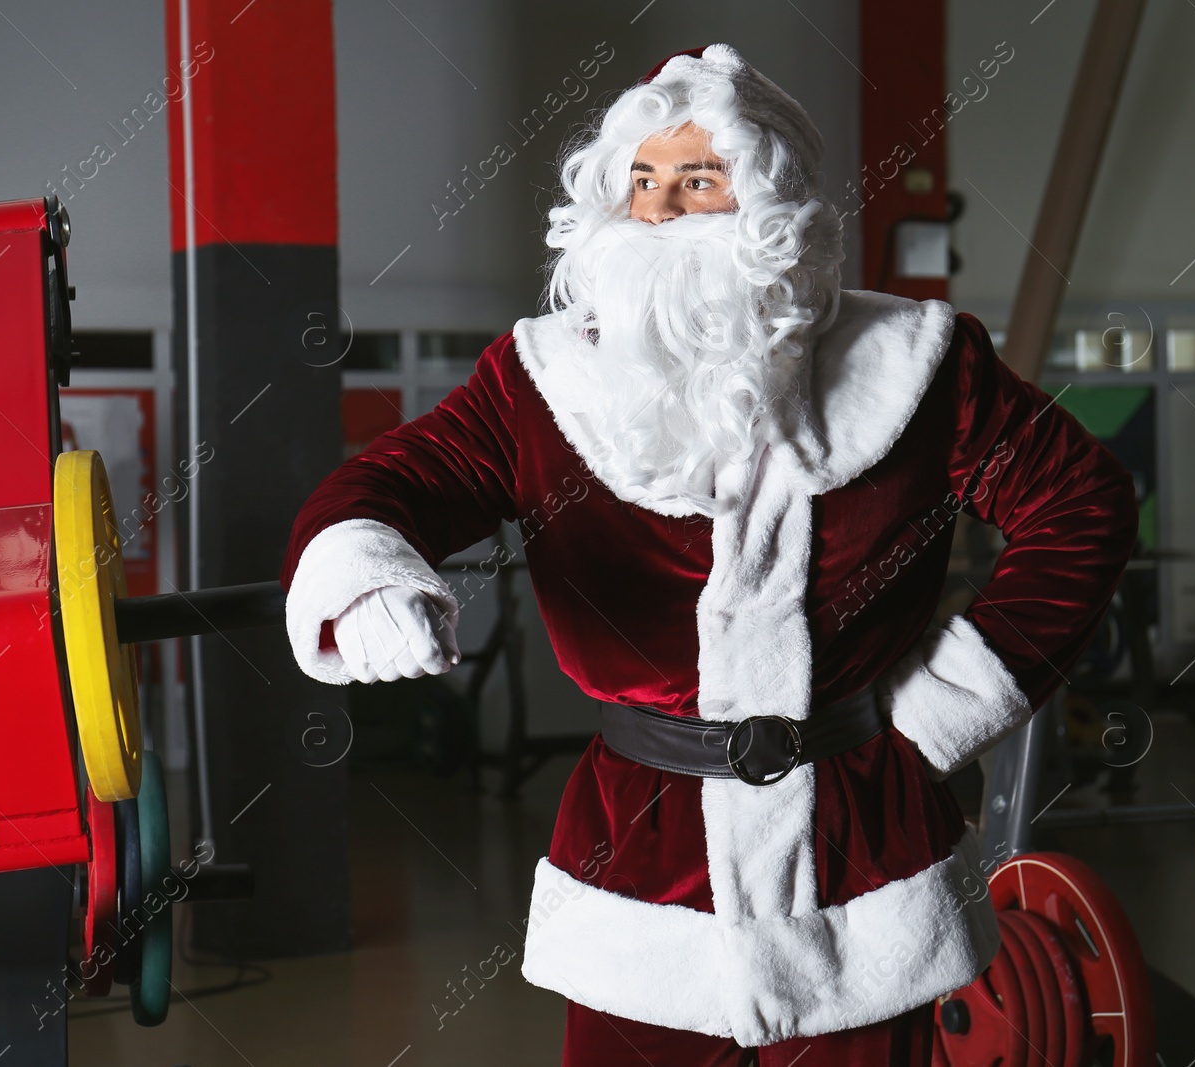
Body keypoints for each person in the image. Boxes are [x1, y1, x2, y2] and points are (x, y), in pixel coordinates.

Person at [280, 43, 1137, 1067]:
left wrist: (945, 707)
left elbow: (1082, 502)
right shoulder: (542, 379)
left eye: (698, 179)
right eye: (641, 182)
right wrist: (365, 565)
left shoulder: (916, 363)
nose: (662, 210)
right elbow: (391, 482)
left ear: (773, 204)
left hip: (863, 847)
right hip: (637, 863)